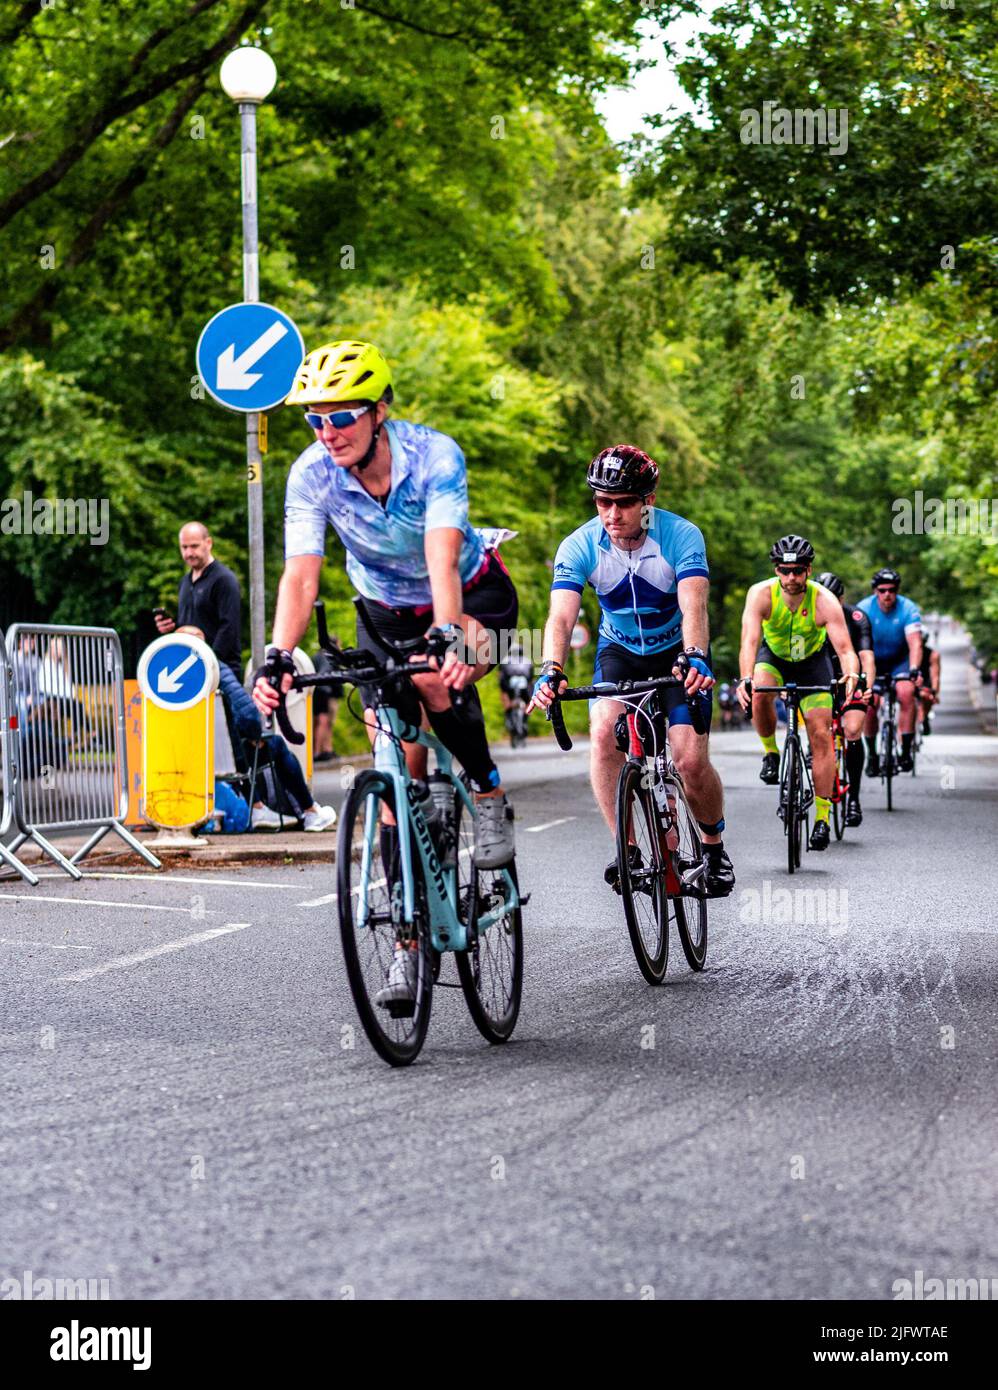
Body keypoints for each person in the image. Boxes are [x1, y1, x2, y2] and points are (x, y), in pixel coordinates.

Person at [251, 340, 518, 1007]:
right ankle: (407, 948)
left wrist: (448, 634)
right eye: (315, 418)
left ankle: (487, 793)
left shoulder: (433, 456)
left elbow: (441, 556)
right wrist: (278, 654)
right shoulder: (311, 474)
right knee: (394, 757)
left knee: (433, 678)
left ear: (380, 411)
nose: (328, 431)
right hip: (384, 611)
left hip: (469, 593)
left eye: (342, 415)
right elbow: (301, 576)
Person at [527, 444, 735, 897]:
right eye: (603, 501)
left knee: (689, 759)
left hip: (678, 653)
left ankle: (714, 848)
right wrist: (551, 669)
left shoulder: (681, 536)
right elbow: (560, 618)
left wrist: (696, 653)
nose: (612, 513)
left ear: (648, 501)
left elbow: (694, 605)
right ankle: (628, 850)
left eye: (624, 503)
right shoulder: (579, 545)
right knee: (604, 732)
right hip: (619, 651)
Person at [737, 536, 859, 851]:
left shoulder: (824, 600)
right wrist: (745, 679)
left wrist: (851, 674)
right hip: (775, 658)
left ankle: (822, 817)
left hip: (812, 664)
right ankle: (771, 753)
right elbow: (749, 641)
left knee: (820, 735)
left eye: (798, 571)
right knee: (759, 690)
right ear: (776, 570)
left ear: (809, 570)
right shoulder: (761, 594)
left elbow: (845, 649)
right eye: (785, 570)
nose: (791, 577)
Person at [179, 626, 335, 832]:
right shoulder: (215, 668)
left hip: (184, 759)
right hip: (228, 759)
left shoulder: (165, 677)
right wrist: (254, 734)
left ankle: (256, 806)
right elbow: (247, 713)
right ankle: (308, 811)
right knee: (274, 744)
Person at [815, 571, 876, 826]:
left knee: (852, 730)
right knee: (818, 730)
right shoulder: (807, 616)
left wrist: (867, 686)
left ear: (841, 599)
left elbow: (867, 657)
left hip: (850, 677)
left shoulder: (857, 618)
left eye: (833, 599)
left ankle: (854, 799)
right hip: (820, 678)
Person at [155, 522, 243, 683]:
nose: (189, 553)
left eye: (194, 546)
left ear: (208, 543)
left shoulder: (224, 579)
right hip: (190, 670)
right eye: (184, 547)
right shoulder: (185, 581)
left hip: (221, 672)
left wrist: (208, 662)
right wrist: (170, 628)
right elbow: (192, 624)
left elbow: (229, 628)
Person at [857, 568, 923, 773]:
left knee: (906, 692)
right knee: (870, 702)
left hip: (900, 661)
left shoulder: (908, 608)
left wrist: (914, 669)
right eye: (882, 590)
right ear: (875, 591)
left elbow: (915, 643)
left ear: (897, 591)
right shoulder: (864, 608)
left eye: (892, 590)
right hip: (873, 662)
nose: (887, 594)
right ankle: (872, 755)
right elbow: (856, 644)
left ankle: (905, 750)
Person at [312, 638, 343, 763]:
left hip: (315, 691)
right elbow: (325, 673)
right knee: (324, 722)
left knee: (318, 722)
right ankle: (319, 752)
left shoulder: (316, 656)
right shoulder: (328, 656)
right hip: (324, 692)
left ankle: (326, 750)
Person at [917, 636, 941, 735]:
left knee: (926, 697)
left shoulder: (933, 655)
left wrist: (934, 691)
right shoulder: (905, 652)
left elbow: (935, 676)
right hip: (910, 680)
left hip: (925, 682)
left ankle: (924, 718)